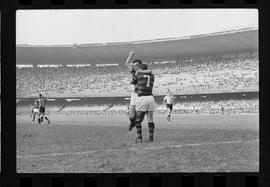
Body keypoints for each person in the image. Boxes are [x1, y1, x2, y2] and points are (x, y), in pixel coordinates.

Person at [133, 63, 155, 143]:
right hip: (151, 97)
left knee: (138, 120)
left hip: (142, 97)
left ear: (141, 69)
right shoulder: (152, 76)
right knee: (150, 119)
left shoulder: (138, 74)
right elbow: (150, 72)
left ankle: (139, 138)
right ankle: (151, 138)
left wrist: (137, 71)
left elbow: (133, 81)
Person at [124, 51, 143, 131]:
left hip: (142, 95)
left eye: (137, 65)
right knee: (132, 116)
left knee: (139, 118)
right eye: (134, 65)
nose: (135, 66)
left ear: (140, 65)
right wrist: (130, 55)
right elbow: (126, 64)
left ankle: (139, 136)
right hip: (134, 95)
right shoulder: (133, 72)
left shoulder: (143, 72)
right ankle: (132, 122)